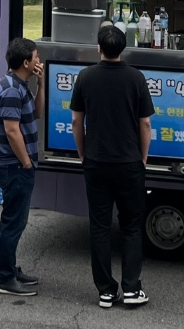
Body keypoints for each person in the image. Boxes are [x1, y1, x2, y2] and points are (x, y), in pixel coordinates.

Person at [70, 23, 156, 309]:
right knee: (132, 226)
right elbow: (145, 123)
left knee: (100, 226)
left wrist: (83, 152)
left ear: (99, 48)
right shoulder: (136, 78)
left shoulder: (85, 77)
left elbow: (76, 120)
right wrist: (143, 157)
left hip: (95, 162)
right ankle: (132, 289)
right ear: (123, 48)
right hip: (129, 162)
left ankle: (106, 291)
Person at [0, 36, 46, 296]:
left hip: (19, 166)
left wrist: (41, 84)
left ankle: (11, 268)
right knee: (13, 221)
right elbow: (12, 131)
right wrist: (26, 162)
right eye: (36, 57)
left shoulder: (19, 84)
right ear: (26, 61)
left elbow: (37, 113)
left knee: (15, 220)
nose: (39, 61)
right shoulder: (12, 90)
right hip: (15, 166)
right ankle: (5, 278)